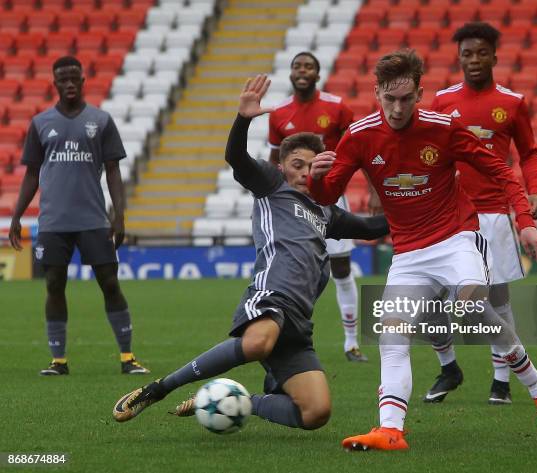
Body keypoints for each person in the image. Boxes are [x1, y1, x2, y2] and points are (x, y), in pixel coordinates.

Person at [307, 50, 537, 450]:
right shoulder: (358, 136)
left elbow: (501, 170)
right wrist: (317, 179)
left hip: (456, 239)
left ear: (419, 94)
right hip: (409, 253)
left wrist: (526, 223)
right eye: (389, 98)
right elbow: (328, 194)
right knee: (392, 335)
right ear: (376, 92)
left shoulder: (443, 127)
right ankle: (391, 430)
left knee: (473, 310)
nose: (397, 108)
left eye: (406, 98)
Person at [112, 75, 389, 429]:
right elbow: (236, 157)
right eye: (297, 164)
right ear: (282, 166)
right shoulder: (272, 186)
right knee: (258, 342)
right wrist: (243, 119)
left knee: (316, 413)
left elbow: (371, 227)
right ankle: (159, 389)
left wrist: (422, 200)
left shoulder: (328, 212)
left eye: (312, 165)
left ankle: (237, 401)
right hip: (270, 298)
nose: (304, 172)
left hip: (299, 324)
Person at [422, 22, 537, 405]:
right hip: (448, 215)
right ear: (458, 58)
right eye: (466, 54)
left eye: (480, 53)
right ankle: (448, 368)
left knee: (496, 299)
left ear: (494, 55)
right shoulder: (442, 102)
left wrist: (534, 190)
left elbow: (529, 153)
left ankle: (501, 381)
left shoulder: (512, 102)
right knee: (429, 299)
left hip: (493, 214)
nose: (473, 60)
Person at [8, 56, 149, 376]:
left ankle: (128, 357)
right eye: (63, 79)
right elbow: (32, 173)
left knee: (110, 283)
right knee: (54, 285)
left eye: (74, 78)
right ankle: (58, 361)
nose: (69, 84)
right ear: (54, 83)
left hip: (94, 219)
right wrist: (17, 214)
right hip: (53, 221)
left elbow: (113, 171)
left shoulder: (100, 120)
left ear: (83, 81)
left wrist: (119, 214)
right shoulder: (41, 123)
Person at [269, 52, 368, 362]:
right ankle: (284, 338)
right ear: (290, 73)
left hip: (329, 195)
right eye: (298, 66)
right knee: (292, 269)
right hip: (295, 201)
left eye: (308, 66)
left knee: (340, 267)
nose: (302, 71)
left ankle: (351, 342)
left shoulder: (337, 107)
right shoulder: (279, 113)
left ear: (317, 72)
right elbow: (275, 160)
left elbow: (361, 147)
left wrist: (375, 188)